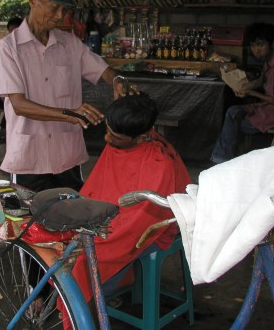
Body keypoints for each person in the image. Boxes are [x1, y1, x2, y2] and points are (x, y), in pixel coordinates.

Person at [0, 0, 128, 192]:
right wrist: (70, 114)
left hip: (67, 155)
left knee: (72, 218)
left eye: (64, 9)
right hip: (29, 157)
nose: (60, 16)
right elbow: (19, 104)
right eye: (54, 7)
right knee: (30, 223)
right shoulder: (9, 48)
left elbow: (104, 70)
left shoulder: (70, 44)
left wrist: (118, 80)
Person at [69, 93, 191, 312]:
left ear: (142, 137)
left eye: (114, 136)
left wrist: (103, 237)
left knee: (86, 261)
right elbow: (96, 189)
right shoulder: (120, 142)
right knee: (65, 241)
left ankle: (90, 306)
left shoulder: (158, 161)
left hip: (154, 227)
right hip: (119, 217)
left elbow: (144, 221)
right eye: (107, 131)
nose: (107, 139)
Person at [211, 22, 274, 164]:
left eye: (260, 45)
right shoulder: (271, 61)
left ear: (273, 44)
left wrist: (251, 93)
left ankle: (222, 161)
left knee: (236, 123)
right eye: (253, 45)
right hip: (271, 108)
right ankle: (223, 159)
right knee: (233, 112)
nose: (256, 50)